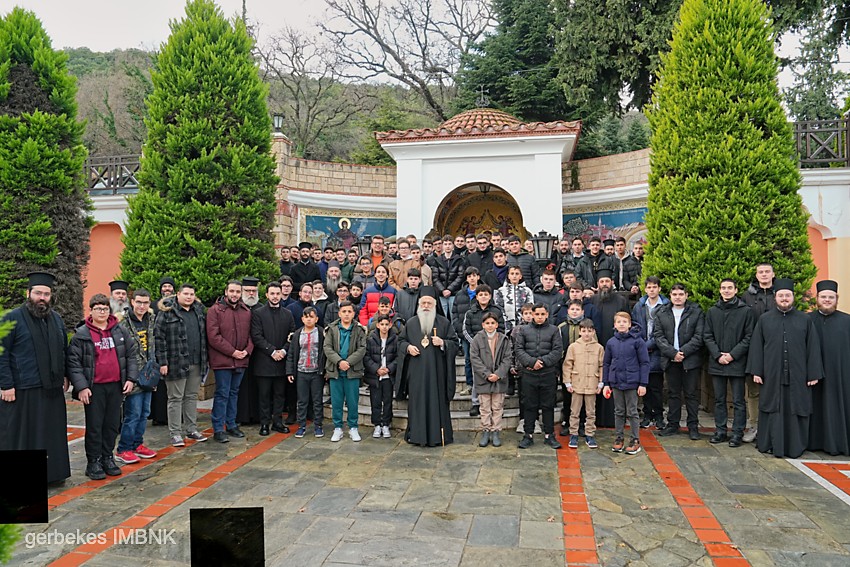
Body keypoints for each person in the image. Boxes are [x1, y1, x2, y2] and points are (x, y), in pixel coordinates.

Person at [0, 272, 71, 484]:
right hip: (22, 390)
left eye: (46, 294)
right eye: (38, 293)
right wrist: (5, 384)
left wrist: (65, 375)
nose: (42, 298)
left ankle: (53, 476)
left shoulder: (56, 319)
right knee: (24, 436)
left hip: (51, 389)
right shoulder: (12, 318)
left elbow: (63, 350)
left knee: (50, 434)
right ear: (28, 293)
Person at [747, 279, 823, 458]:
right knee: (772, 407)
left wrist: (813, 373)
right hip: (771, 374)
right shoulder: (765, 319)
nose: (784, 299)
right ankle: (770, 443)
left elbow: (813, 347)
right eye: (781, 295)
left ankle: (795, 446)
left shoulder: (805, 319)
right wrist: (757, 371)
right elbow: (757, 346)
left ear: (793, 297)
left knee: (797, 408)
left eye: (787, 295)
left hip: (799, 374)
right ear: (775, 297)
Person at [67, 294, 138, 480]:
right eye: (98, 308)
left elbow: (131, 355)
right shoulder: (82, 334)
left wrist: (131, 378)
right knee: (95, 426)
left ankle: (107, 457)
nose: (102, 312)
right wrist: (82, 387)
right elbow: (73, 363)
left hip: (115, 386)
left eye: (105, 309)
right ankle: (94, 461)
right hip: (94, 388)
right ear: (91, 311)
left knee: (112, 425)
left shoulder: (120, 331)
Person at [396, 288, 459, 446]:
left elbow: (455, 343)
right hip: (416, 373)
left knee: (437, 404)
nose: (425, 306)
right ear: (419, 304)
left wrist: (443, 343)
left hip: (437, 374)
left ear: (435, 305)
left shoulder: (444, 323)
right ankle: (417, 436)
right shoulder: (411, 323)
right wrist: (408, 348)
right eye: (423, 303)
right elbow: (400, 342)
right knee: (417, 404)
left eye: (429, 303)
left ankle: (438, 437)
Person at [154, 283, 209, 447]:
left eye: (192, 294)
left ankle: (191, 429)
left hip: (196, 361)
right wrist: (162, 362)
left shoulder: (198, 311)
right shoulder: (167, 312)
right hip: (175, 363)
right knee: (175, 398)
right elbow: (158, 338)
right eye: (186, 294)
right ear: (178, 294)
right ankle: (175, 433)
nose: (189, 297)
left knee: (191, 397)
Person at [703, 279, 755, 447]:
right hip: (717, 362)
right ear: (720, 290)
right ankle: (720, 431)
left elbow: (749, 337)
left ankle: (737, 433)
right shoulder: (712, 311)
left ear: (736, 290)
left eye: (729, 288)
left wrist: (732, 355)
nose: (726, 290)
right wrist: (718, 355)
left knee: (739, 401)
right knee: (719, 399)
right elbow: (707, 335)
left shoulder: (745, 311)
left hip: (737, 362)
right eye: (723, 288)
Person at [654, 283, 705, 440]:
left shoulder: (696, 312)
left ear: (686, 295)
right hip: (671, 359)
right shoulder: (662, 312)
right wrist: (673, 353)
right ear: (670, 296)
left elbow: (699, 336)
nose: (678, 297)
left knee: (691, 394)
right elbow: (658, 336)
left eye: (681, 294)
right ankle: (673, 424)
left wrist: (683, 352)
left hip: (690, 359)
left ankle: (693, 426)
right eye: (674, 294)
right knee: (673, 393)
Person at [206, 281, 253, 443]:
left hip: (241, 360)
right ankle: (218, 428)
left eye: (237, 292)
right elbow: (213, 337)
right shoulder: (214, 311)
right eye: (232, 291)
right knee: (222, 394)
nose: (234, 294)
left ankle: (231, 424)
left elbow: (251, 335)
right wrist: (233, 352)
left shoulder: (246, 311)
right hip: (223, 361)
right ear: (226, 292)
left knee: (234, 393)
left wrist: (247, 351)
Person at [115, 289, 158, 464]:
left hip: (148, 373)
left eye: (145, 303)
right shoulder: (123, 323)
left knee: (144, 413)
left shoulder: (151, 320)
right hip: (132, 374)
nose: (142, 306)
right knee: (133, 413)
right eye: (139, 302)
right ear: (132, 302)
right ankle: (123, 449)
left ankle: (137, 444)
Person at [808, 280, 850, 455]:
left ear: (836, 299)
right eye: (823, 297)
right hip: (813, 375)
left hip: (840, 375)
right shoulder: (807, 320)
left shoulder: (847, 321)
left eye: (831, 297)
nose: (827, 300)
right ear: (817, 298)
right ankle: (813, 442)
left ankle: (838, 444)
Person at [516, 303, 564, 449]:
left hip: (548, 374)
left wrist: (542, 362)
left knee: (548, 405)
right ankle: (528, 435)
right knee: (529, 405)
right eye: (537, 314)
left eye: (543, 314)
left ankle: (549, 435)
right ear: (532, 314)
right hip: (529, 374)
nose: (540, 317)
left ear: (547, 314)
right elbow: (519, 349)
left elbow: (557, 350)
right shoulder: (523, 330)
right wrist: (531, 362)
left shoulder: (554, 330)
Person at [250, 282, 296, 436]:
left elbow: (292, 335)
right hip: (264, 361)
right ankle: (264, 423)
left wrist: (283, 351)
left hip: (282, 361)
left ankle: (277, 422)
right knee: (264, 395)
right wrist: (271, 351)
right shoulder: (258, 313)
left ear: (281, 295)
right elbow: (256, 336)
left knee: (279, 395)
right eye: (272, 294)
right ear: (267, 295)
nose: (275, 297)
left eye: (277, 294)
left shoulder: (288, 314)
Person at [603, 312, 649, 455]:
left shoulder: (638, 341)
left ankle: (635, 440)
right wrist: (606, 383)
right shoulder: (611, 342)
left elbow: (644, 363)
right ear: (614, 325)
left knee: (632, 412)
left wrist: (643, 383)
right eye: (619, 322)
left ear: (629, 324)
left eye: (624, 322)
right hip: (616, 381)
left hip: (632, 382)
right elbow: (606, 363)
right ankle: (619, 438)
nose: (622, 324)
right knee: (619, 411)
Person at [742, 262, 776, 443]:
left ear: (773, 274)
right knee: (753, 390)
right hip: (752, 349)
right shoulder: (747, 296)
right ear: (756, 275)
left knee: (774, 389)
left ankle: (773, 426)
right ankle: (754, 425)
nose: (764, 274)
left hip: (776, 349)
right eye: (760, 272)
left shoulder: (780, 294)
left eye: (767, 271)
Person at [590, 270, 628, 428]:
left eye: (607, 281)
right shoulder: (592, 300)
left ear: (612, 283)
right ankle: (596, 418)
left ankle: (615, 418)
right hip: (596, 348)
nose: (604, 284)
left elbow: (627, 321)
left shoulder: (621, 300)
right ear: (597, 284)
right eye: (601, 282)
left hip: (617, 347)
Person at [324, 301, 367, 442]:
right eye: (344, 311)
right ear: (339, 313)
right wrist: (339, 362)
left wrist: (348, 362)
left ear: (354, 314)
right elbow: (327, 348)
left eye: (349, 311)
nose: (347, 314)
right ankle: (337, 428)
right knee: (336, 402)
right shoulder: (332, 329)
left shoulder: (359, 329)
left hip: (352, 370)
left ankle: (353, 427)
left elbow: (362, 348)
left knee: (352, 402)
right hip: (335, 371)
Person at [631, 276, 669, 430]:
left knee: (656, 386)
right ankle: (647, 414)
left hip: (658, 350)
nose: (652, 290)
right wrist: (641, 344)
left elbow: (665, 329)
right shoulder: (639, 306)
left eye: (654, 287)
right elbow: (634, 326)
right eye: (649, 287)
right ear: (645, 289)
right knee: (644, 384)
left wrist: (650, 344)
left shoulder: (665, 306)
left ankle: (658, 415)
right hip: (642, 349)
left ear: (659, 288)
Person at [470, 312, 512, 447]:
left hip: (499, 380)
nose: (490, 326)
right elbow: (474, 358)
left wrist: (498, 374)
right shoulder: (477, 339)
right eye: (487, 323)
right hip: (483, 380)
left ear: (497, 325)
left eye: (492, 323)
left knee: (497, 407)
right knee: (485, 407)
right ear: (483, 325)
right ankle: (486, 430)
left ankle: (496, 431)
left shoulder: (503, 339)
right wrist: (487, 374)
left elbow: (507, 358)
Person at [563, 318, 605, 450]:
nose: (587, 334)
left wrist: (601, 383)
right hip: (577, 383)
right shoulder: (573, 347)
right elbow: (567, 365)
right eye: (584, 331)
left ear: (593, 332)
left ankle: (590, 434)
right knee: (574, 411)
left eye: (589, 331)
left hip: (592, 383)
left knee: (591, 411)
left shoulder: (599, 348)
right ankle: (573, 434)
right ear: (580, 332)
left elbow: (602, 366)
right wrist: (567, 382)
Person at [286, 307, 326, 438]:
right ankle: (301, 425)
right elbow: (291, 354)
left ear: (316, 319)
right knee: (302, 401)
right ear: (302, 319)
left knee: (317, 400)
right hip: (301, 372)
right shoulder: (297, 334)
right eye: (306, 317)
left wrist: (325, 370)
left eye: (312, 317)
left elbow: (325, 353)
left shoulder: (321, 333)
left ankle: (318, 425)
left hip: (316, 372)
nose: (309, 319)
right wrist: (290, 371)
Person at [364, 314, 399, 439]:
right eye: (382, 324)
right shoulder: (371, 339)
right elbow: (366, 357)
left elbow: (398, 357)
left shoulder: (395, 339)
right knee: (375, 401)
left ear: (390, 325)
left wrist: (389, 368)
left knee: (388, 401)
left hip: (388, 376)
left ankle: (386, 424)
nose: (384, 327)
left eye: (386, 324)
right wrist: (376, 369)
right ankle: (377, 424)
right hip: (375, 376)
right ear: (378, 325)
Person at [453, 267, 482, 400]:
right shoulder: (460, 294)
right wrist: (459, 329)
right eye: (469, 276)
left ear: (478, 277)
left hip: (481, 334)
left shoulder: (483, 292)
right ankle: (470, 384)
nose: (472, 278)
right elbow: (455, 313)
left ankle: (481, 384)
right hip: (465, 334)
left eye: (474, 275)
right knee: (468, 360)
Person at [429, 234, 467, 321]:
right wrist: (442, 290)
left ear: (453, 245)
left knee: (454, 317)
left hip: (454, 293)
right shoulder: (437, 260)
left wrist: (450, 289)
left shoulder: (459, 260)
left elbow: (460, 276)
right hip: (441, 294)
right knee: (443, 318)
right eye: (445, 244)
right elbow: (435, 277)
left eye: (449, 244)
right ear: (442, 245)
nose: (447, 246)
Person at [495, 265, 535, 331]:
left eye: (517, 274)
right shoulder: (501, 291)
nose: (514, 276)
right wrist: (505, 322)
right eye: (512, 273)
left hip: (524, 326)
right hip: (506, 326)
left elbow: (530, 308)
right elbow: (499, 308)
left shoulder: (527, 291)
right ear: (508, 276)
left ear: (520, 276)